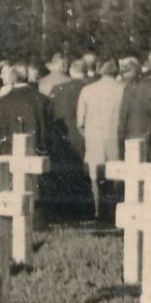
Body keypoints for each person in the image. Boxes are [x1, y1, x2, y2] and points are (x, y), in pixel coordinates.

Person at [77, 58, 125, 222]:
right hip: (116, 140)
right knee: (117, 177)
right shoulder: (124, 89)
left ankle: (100, 213)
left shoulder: (87, 90)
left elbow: (80, 123)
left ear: (99, 69)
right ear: (117, 70)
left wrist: (89, 136)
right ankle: (115, 213)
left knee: (96, 178)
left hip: (94, 140)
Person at [47, 58, 91, 220]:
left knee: (65, 177)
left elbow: (50, 114)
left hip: (63, 138)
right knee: (83, 177)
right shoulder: (89, 88)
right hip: (84, 137)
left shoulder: (57, 89)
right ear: (86, 72)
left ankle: (65, 212)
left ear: (70, 71)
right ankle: (84, 212)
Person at [0, 63, 47, 156]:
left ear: (12, 79)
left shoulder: (0, 102)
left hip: (8, 154)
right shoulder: (41, 99)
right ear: (27, 78)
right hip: (37, 153)